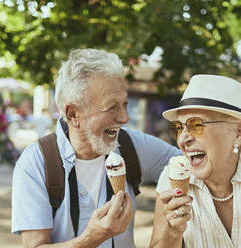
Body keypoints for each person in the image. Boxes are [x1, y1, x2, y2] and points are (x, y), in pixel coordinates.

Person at [11, 48, 180, 247]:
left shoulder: (132, 146)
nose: (124, 118)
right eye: (112, 107)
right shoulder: (35, 163)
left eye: (125, 104)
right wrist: (93, 237)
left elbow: (188, 165)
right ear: (73, 114)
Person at [150, 75, 241, 248]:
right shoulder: (173, 175)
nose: (183, 138)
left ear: (238, 134)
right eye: (179, 127)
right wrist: (173, 232)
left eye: (196, 125)